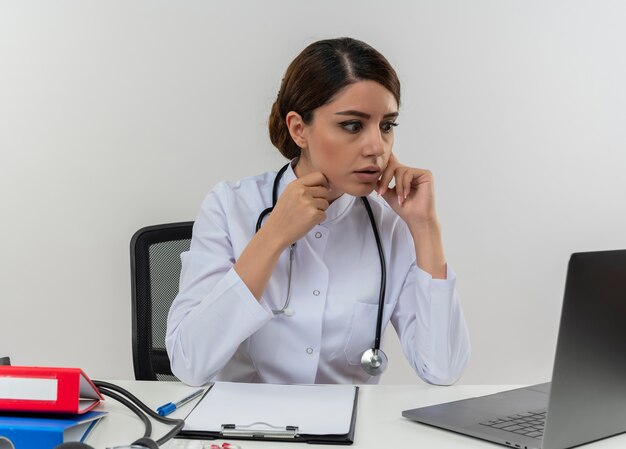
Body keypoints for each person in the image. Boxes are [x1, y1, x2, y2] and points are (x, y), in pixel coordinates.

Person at [166, 37, 470, 386]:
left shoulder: (391, 223)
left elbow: (442, 371)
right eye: (353, 125)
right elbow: (189, 364)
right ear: (299, 129)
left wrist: (425, 227)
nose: (377, 148)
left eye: (386, 126)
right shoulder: (229, 207)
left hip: (348, 434)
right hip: (247, 431)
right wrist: (273, 236)